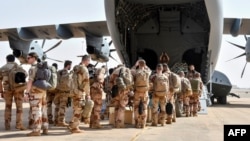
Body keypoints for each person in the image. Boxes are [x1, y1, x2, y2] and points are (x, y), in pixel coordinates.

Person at [0, 54, 27, 130]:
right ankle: (19, 125)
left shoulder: (2, 68)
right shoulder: (19, 67)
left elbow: (0, 81)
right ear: (14, 60)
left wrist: (1, 91)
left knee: (7, 107)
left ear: (7, 60)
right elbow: (25, 75)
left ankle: (7, 125)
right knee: (19, 108)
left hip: (7, 90)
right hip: (18, 90)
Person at [24, 52, 49, 136]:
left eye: (28, 58)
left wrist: (27, 93)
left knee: (36, 110)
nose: (27, 59)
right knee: (44, 110)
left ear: (34, 58)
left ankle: (36, 130)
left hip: (35, 92)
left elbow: (30, 81)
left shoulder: (33, 68)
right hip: (43, 91)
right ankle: (45, 128)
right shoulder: (41, 66)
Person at [68, 55, 91, 133]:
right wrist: (88, 93)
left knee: (75, 108)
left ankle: (72, 124)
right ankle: (75, 128)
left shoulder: (76, 68)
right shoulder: (84, 69)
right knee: (79, 109)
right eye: (89, 61)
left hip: (73, 92)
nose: (89, 63)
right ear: (86, 60)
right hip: (80, 92)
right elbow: (86, 82)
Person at [131, 59, 151, 128]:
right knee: (145, 108)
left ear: (139, 64)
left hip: (137, 92)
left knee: (136, 107)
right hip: (145, 92)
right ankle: (143, 124)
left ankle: (137, 123)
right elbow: (149, 70)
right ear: (144, 65)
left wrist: (135, 65)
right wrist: (145, 65)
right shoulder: (147, 72)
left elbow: (131, 71)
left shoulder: (136, 71)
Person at [54, 60, 72, 127]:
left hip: (58, 92)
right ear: (68, 65)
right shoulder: (67, 73)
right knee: (62, 107)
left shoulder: (59, 72)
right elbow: (67, 84)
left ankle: (56, 120)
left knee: (57, 107)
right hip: (64, 92)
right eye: (70, 65)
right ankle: (61, 121)